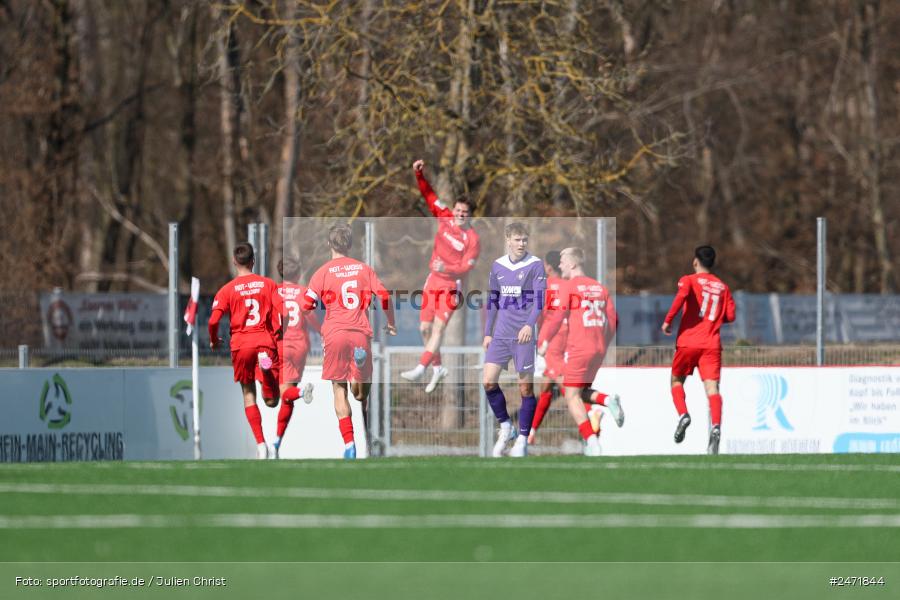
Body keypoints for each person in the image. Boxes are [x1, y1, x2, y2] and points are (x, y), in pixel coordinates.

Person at [301, 223, 396, 459]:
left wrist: (314, 311)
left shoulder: (322, 272)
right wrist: (391, 322)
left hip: (334, 334)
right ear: (351, 245)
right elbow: (384, 296)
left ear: (328, 244)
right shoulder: (363, 269)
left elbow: (305, 305)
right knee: (361, 395)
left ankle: (349, 445)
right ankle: (360, 365)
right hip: (359, 332)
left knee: (338, 389)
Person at [400, 159, 480, 393]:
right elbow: (428, 195)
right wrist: (419, 174)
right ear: (453, 210)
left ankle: (421, 367)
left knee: (438, 330)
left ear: (470, 216)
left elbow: (467, 267)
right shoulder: (444, 217)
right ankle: (437, 367)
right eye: (458, 210)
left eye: (465, 213)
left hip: (451, 287)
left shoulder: (473, 239)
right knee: (424, 329)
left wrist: (447, 269)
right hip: (432, 281)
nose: (460, 215)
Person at [537, 247, 622, 457]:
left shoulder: (570, 287)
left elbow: (557, 317)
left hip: (579, 348)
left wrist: (545, 340)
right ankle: (606, 401)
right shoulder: (599, 287)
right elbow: (614, 320)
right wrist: (603, 342)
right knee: (578, 391)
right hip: (598, 349)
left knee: (571, 396)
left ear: (573, 264)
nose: (560, 265)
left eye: (563, 261)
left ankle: (592, 441)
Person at [661, 245, 736, 455]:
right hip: (711, 344)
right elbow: (730, 316)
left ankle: (683, 415)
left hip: (688, 342)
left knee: (676, 381)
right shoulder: (723, 287)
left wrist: (668, 321)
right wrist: (712, 319)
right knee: (712, 389)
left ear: (695, 261)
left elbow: (681, 297)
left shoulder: (689, 280)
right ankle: (716, 426)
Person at [209, 242, 281, 459]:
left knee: (248, 393)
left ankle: (260, 445)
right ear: (254, 261)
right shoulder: (268, 284)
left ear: (234, 261)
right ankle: (266, 372)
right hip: (264, 341)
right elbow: (283, 312)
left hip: (241, 345)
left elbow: (213, 321)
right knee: (272, 401)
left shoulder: (227, 290)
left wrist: (214, 340)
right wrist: (277, 333)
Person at [483, 222, 546, 458]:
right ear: (508, 239)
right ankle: (506, 426)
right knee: (488, 382)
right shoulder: (497, 266)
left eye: (525, 240)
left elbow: (539, 300)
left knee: (525, 388)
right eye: (517, 239)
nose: (521, 244)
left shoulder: (535, 265)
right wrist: (488, 332)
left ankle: (522, 439)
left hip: (523, 335)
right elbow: (493, 301)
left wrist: (529, 325)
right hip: (500, 334)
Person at [268, 257, 321, 458]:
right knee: (286, 399)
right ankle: (276, 444)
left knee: (286, 394)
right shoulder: (303, 292)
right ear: (297, 274)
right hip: (300, 346)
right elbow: (311, 315)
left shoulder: (274, 291)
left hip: (281, 345)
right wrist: (323, 332)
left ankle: (300, 392)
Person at [528, 250, 574, 444]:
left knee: (565, 385)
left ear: (547, 266)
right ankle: (531, 433)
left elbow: (536, 314)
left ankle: (593, 413)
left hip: (552, 339)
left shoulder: (543, 286)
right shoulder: (569, 285)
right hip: (570, 336)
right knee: (547, 386)